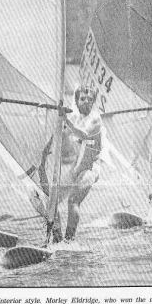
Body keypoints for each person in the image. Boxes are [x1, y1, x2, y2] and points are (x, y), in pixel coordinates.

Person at [35, 84, 103, 243]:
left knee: (73, 200)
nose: (86, 102)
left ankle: (69, 240)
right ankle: (57, 238)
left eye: (90, 100)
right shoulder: (74, 118)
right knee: (52, 200)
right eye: (82, 99)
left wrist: (65, 118)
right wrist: (45, 153)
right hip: (75, 169)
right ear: (77, 100)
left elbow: (84, 134)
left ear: (93, 103)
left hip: (91, 169)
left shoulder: (95, 120)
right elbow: (59, 131)